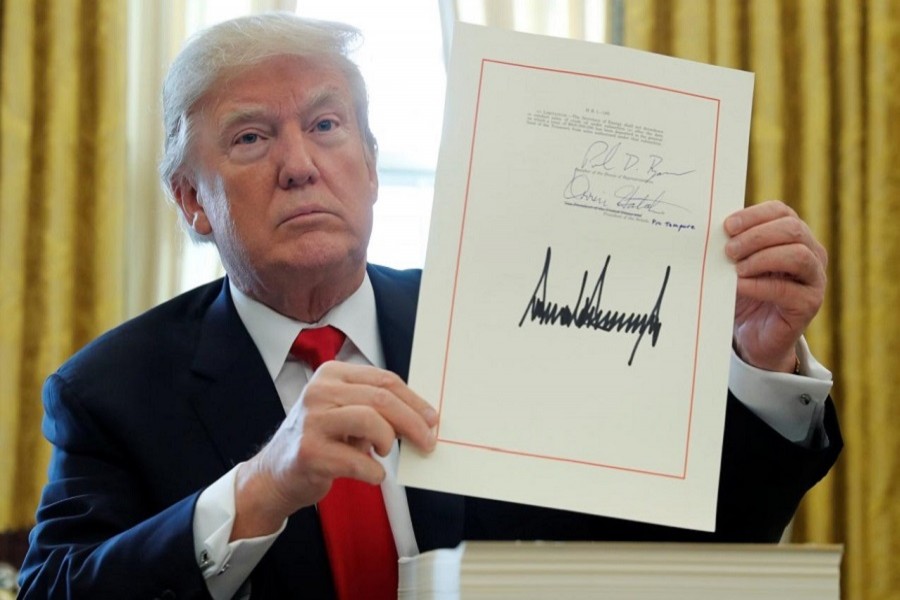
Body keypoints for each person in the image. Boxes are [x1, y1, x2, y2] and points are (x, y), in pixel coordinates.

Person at [18, 12, 842, 600]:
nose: (301, 165)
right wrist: (262, 487)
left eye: (328, 124)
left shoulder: (507, 326)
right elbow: (55, 588)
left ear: (372, 166)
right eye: (251, 138)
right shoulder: (112, 391)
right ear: (193, 203)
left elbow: (684, 555)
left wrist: (758, 361)